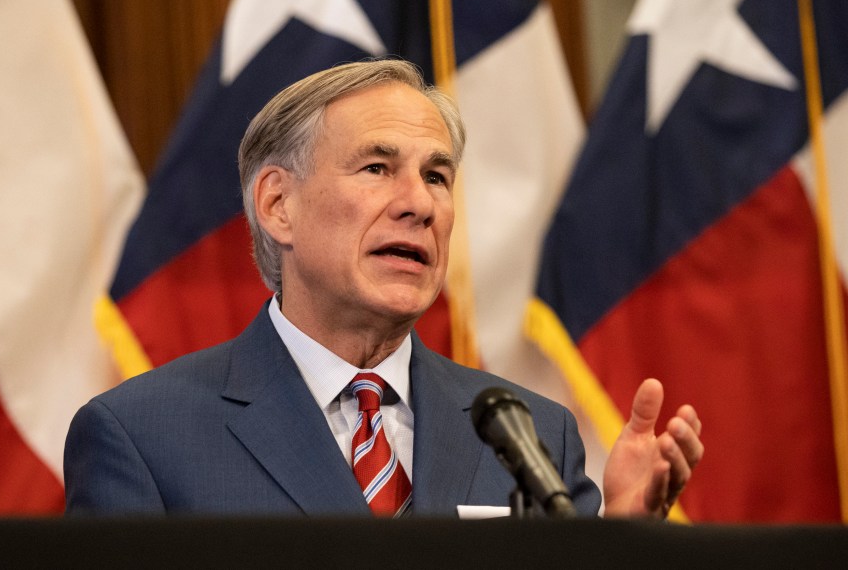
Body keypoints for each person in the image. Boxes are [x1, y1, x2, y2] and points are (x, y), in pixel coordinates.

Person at [64, 59, 703, 517]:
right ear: (278, 204)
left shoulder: (533, 434)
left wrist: (619, 546)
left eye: (437, 176)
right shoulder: (144, 437)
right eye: (377, 168)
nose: (419, 204)